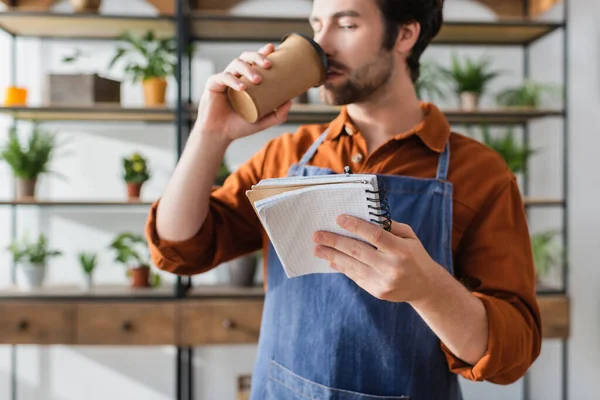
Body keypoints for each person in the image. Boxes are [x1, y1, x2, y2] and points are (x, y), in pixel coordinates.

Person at [145, 0, 542, 398]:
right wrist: (210, 134)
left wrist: (430, 290)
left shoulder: (480, 174)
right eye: (316, 25)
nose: (321, 45)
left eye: (346, 25)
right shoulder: (286, 155)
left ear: (405, 34)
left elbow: (513, 351)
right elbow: (183, 248)